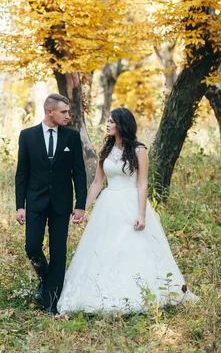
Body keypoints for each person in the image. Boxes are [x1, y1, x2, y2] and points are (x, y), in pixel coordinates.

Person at [57, 107, 197, 315]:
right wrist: (81, 208)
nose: (107, 124)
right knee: (104, 248)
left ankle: (144, 294)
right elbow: (97, 183)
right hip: (108, 205)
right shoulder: (106, 148)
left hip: (131, 203)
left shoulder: (139, 150)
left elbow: (142, 184)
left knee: (134, 248)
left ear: (122, 124)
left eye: (111, 121)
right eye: (108, 120)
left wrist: (141, 214)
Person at [15, 93, 88, 315]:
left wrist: (80, 204)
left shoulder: (72, 137)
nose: (68, 115)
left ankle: (52, 302)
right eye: (63, 112)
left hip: (61, 203)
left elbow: (79, 172)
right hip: (35, 202)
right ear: (50, 112)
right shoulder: (27, 136)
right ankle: (46, 280)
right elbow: (21, 174)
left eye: (68, 111)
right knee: (32, 247)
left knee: (58, 251)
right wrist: (20, 206)